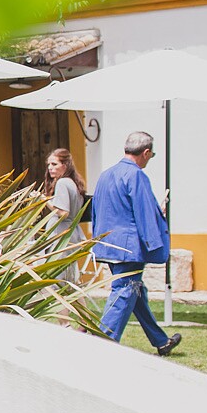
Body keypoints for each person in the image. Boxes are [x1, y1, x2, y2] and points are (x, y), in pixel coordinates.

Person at [90, 131, 181, 355]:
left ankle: (161, 341)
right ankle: (102, 342)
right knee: (124, 290)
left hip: (107, 243)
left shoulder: (105, 174)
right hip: (129, 247)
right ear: (146, 152)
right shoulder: (137, 175)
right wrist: (155, 243)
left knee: (135, 291)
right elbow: (143, 212)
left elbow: (97, 209)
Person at [39, 148, 88, 286]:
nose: (50, 168)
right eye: (49, 164)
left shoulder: (62, 183)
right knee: (71, 280)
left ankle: (63, 308)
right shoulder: (73, 183)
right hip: (70, 234)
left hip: (61, 236)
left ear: (65, 166)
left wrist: (44, 200)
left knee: (57, 280)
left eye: (54, 164)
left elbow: (63, 212)